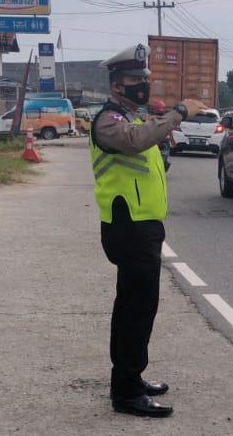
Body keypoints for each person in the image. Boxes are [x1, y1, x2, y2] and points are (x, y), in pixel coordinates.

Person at [90, 43, 206, 418]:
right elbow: (134, 142)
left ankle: (132, 377)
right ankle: (125, 392)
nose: (143, 84)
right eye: (134, 79)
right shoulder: (108, 121)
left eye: (145, 78)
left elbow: (146, 151)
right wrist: (178, 113)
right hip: (129, 228)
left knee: (139, 308)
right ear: (117, 85)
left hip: (144, 226)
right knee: (135, 311)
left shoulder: (132, 118)